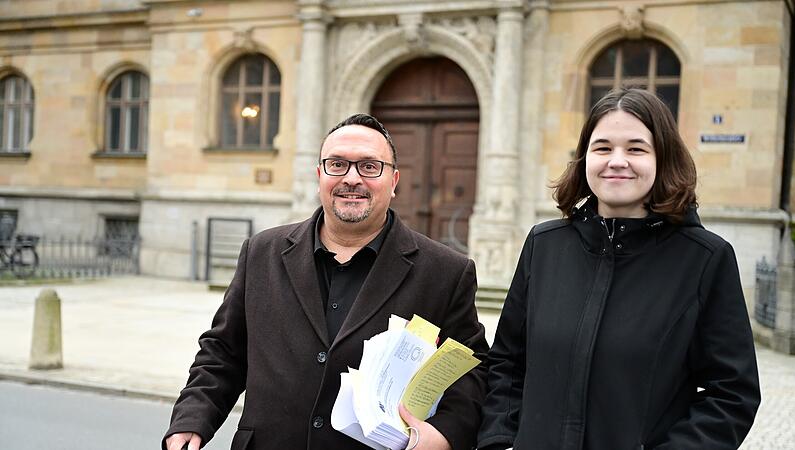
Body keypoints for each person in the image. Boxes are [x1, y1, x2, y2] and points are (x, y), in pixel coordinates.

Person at [163, 113, 488, 450]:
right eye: (337, 164)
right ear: (319, 175)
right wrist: (192, 419)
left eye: (369, 166)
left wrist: (445, 435)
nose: (351, 178)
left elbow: (471, 373)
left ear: (394, 181)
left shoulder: (445, 272)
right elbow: (223, 352)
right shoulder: (261, 253)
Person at [477, 88, 760, 450]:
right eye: (603, 147)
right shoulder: (544, 245)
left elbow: (732, 393)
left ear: (663, 159)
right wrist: (499, 441)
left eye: (636, 148)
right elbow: (506, 364)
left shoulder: (705, 259)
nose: (617, 160)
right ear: (585, 159)